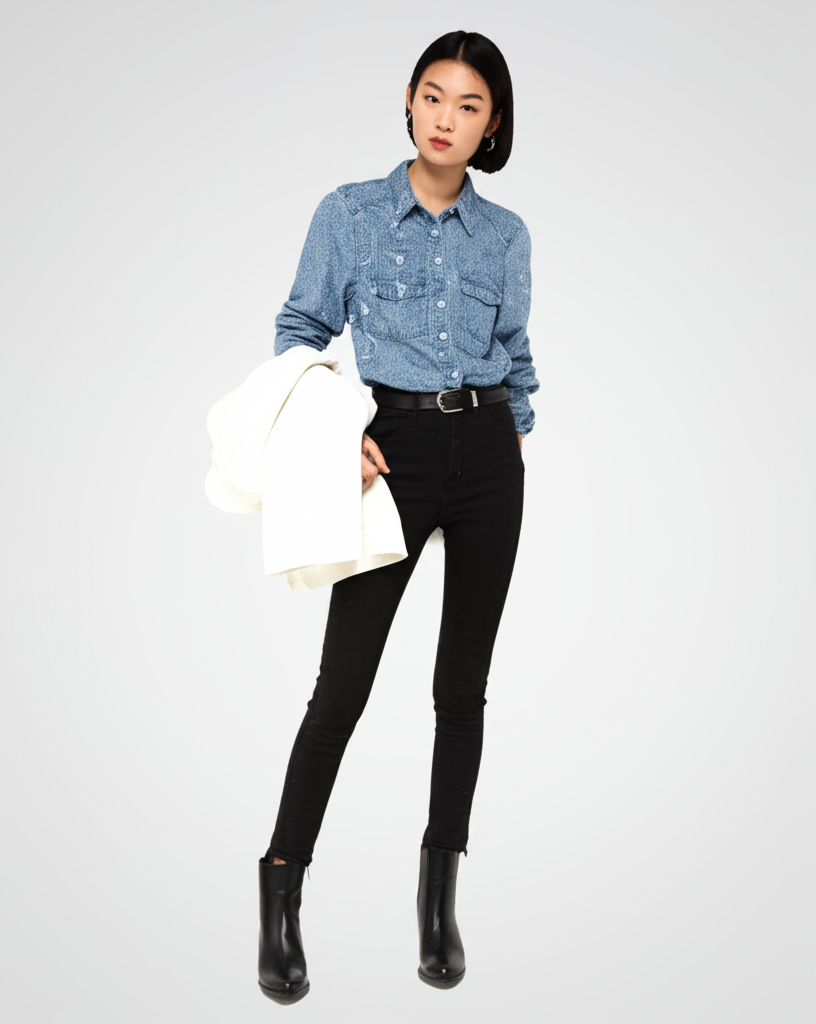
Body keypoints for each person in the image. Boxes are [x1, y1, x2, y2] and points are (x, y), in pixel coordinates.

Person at [257, 29, 540, 1004]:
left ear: (491, 125)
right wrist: (337, 430)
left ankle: (437, 904)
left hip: (488, 454)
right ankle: (281, 890)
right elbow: (299, 334)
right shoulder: (350, 213)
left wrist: (514, 436)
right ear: (409, 101)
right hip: (392, 454)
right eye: (432, 95)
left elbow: (517, 352)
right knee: (343, 686)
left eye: (469, 105)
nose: (445, 118)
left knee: (463, 688)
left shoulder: (507, 235)